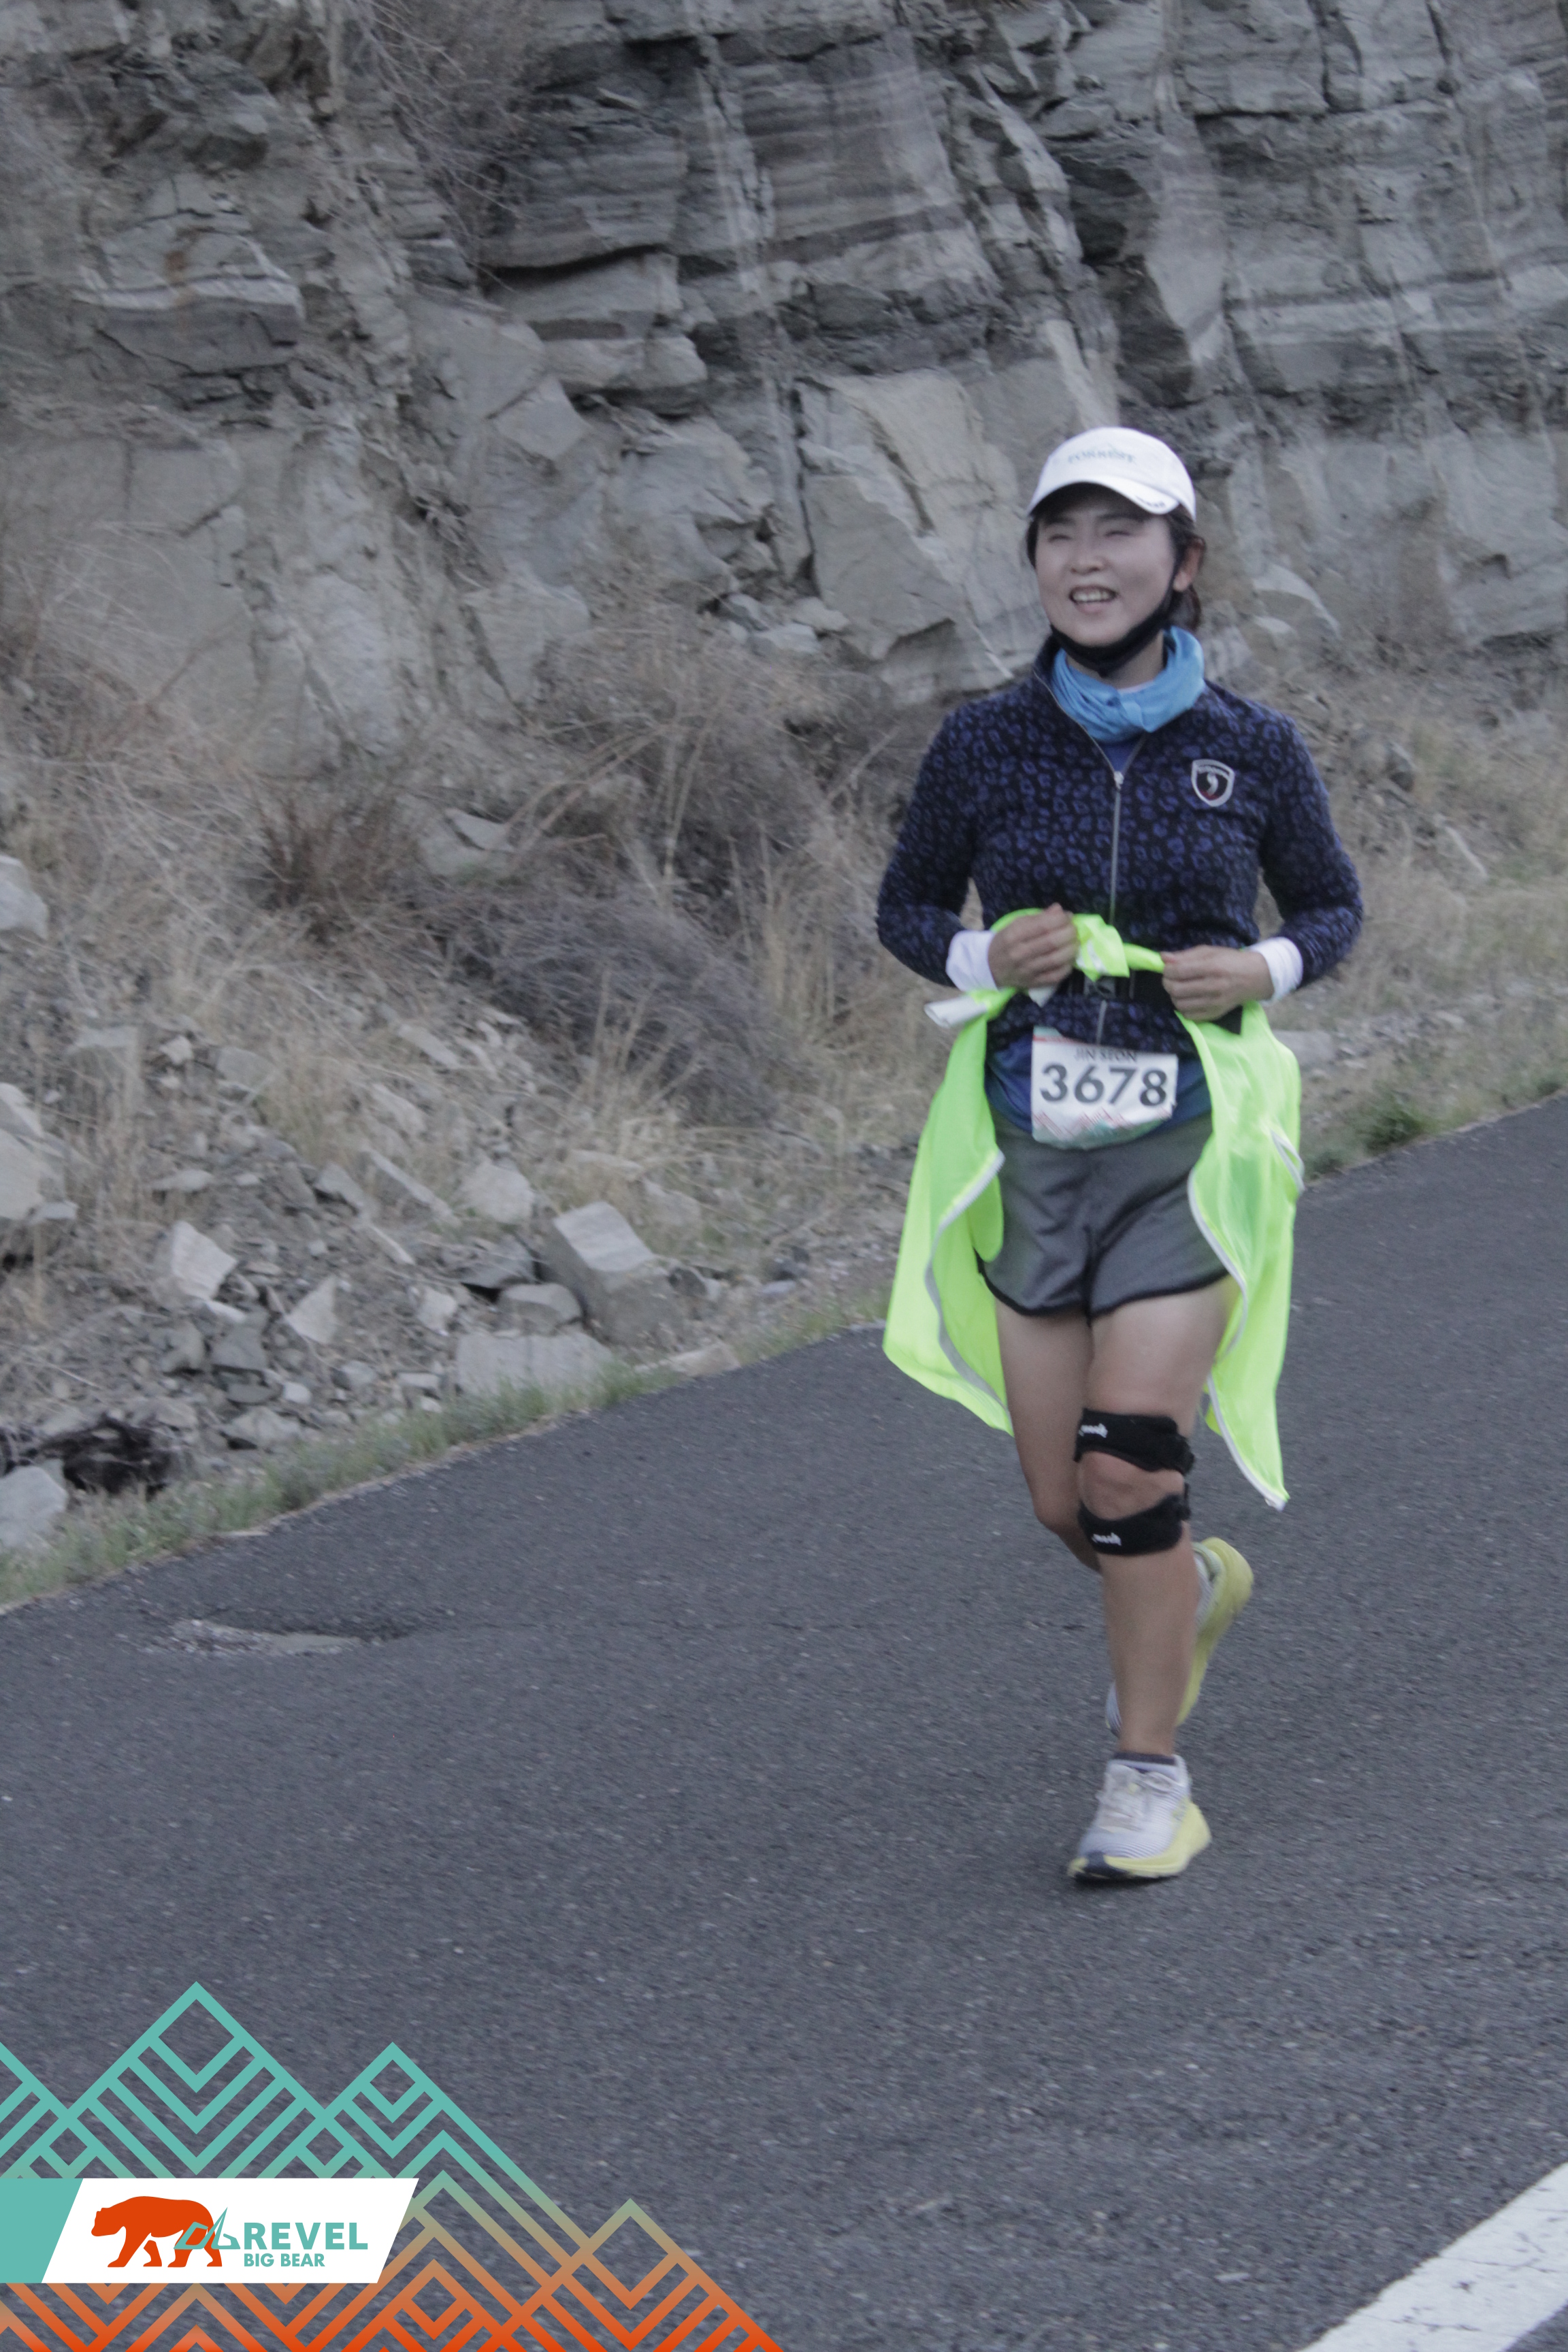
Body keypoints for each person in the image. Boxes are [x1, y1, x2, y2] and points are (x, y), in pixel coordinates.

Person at [876, 425, 1362, 1883]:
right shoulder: (982, 741)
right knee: (1061, 1499)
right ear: (1035, 561)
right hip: (1030, 1150)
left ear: (1183, 560)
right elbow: (905, 908)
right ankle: (1188, 1585)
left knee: (1127, 1465)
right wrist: (983, 953)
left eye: (1120, 532)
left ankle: (1150, 1783)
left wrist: (1263, 968)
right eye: (1061, 534)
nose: (1087, 561)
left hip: (1189, 1153)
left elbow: (1332, 908)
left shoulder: (1252, 746)